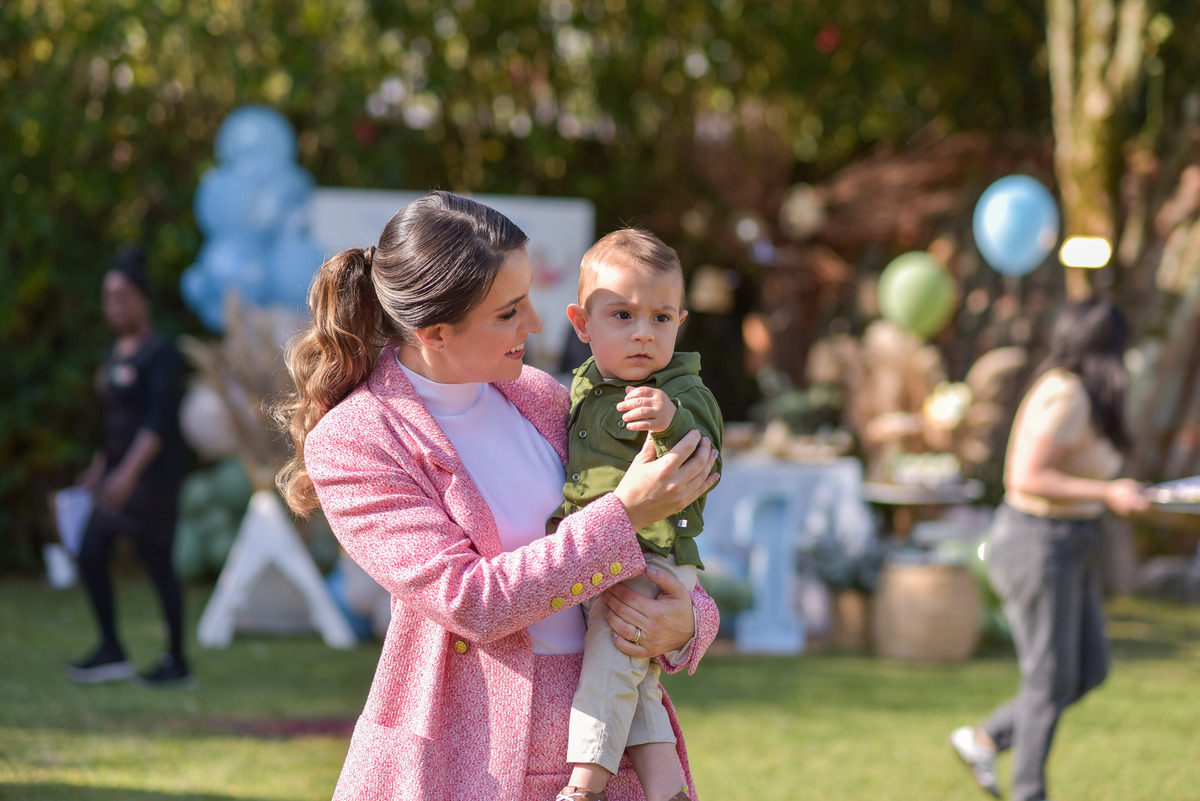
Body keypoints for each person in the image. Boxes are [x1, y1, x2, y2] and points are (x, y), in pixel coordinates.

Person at [272, 191, 721, 801]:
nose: (535, 323)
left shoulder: (544, 396)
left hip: (612, 756)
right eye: (509, 312)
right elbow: (471, 601)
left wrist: (690, 622)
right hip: (467, 761)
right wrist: (626, 513)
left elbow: (657, 544)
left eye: (528, 298)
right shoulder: (357, 439)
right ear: (435, 331)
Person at [949, 297, 1150, 801]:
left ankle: (985, 738)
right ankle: (1029, 793)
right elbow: (1025, 477)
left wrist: (1115, 493)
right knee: (1048, 681)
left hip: (1075, 542)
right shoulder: (1064, 392)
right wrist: (1107, 493)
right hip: (1039, 544)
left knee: (1088, 670)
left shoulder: (1090, 395)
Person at [549, 229, 723, 801]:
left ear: (680, 323)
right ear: (582, 324)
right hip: (603, 550)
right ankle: (668, 791)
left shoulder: (680, 388)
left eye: (661, 318)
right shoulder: (582, 385)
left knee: (611, 653)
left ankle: (586, 784)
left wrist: (671, 419)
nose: (643, 332)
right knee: (634, 674)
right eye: (622, 315)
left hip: (653, 551)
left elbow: (706, 449)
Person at [68, 244, 192, 687]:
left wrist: (126, 475)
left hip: (152, 476)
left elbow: (156, 424)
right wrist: (99, 469)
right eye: (108, 298)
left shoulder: (161, 353)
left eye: (123, 297)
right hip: (118, 474)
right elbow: (112, 423)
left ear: (143, 299)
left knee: (158, 561)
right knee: (90, 550)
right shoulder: (113, 352)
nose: (114, 306)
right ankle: (111, 650)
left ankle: (177, 662)